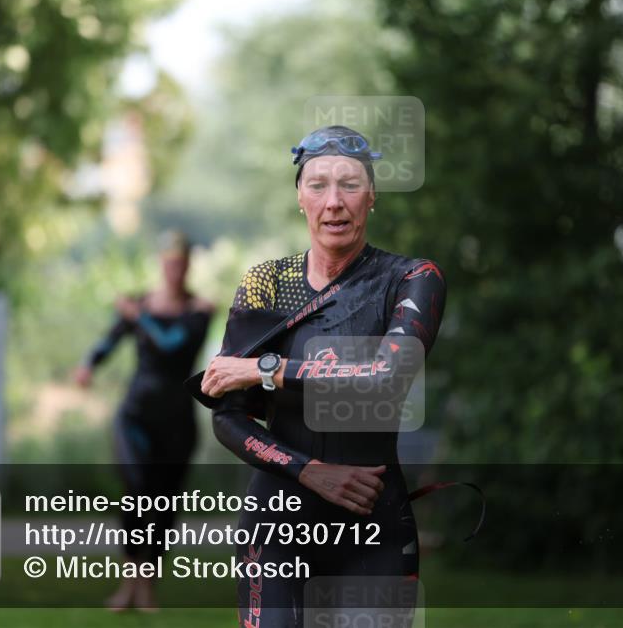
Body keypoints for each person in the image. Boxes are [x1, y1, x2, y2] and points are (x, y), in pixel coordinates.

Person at [196, 126, 446, 628]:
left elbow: (385, 376)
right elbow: (228, 418)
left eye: (350, 185)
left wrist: (265, 369)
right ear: (299, 198)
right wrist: (311, 471)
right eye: (318, 185)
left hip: (373, 529)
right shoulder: (266, 283)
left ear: (372, 196)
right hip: (276, 528)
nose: (334, 202)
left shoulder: (412, 279)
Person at [74, 230, 214, 612]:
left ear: (187, 266)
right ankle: (128, 584)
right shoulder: (140, 303)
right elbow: (110, 338)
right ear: (160, 263)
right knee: (137, 493)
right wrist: (88, 364)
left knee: (163, 503)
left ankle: (146, 585)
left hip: (177, 420)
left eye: (180, 262)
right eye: (168, 261)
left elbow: (171, 345)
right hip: (135, 416)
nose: (173, 269)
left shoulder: (200, 310)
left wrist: (140, 318)